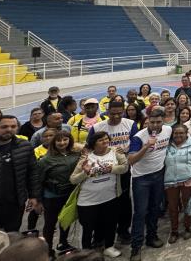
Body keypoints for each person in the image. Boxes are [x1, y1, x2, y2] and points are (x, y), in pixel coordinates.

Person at [70, 130, 129, 258]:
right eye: (101, 140)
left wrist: (112, 169)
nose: (105, 142)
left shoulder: (115, 152)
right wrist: (85, 173)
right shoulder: (86, 157)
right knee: (87, 228)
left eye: (106, 139)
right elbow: (73, 179)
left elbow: (125, 167)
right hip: (88, 201)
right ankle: (85, 253)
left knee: (111, 223)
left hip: (110, 197)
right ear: (94, 143)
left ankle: (109, 246)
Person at [89, 100, 137, 245]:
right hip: (103, 170)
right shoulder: (97, 127)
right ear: (107, 112)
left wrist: (127, 151)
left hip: (122, 169)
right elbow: (90, 146)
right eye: (113, 113)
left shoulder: (130, 124)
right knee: (103, 201)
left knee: (124, 200)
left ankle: (123, 230)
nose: (116, 116)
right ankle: (100, 234)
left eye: (119, 113)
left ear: (123, 111)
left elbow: (135, 142)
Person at [127, 107, 171, 261]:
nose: (155, 125)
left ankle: (152, 237)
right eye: (152, 122)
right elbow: (131, 160)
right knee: (140, 212)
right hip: (141, 178)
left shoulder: (168, 130)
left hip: (159, 175)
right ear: (147, 121)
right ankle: (136, 248)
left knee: (154, 209)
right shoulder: (139, 137)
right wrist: (146, 146)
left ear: (163, 120)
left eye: (158, 122)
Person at [36, 130, 78, 253]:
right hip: (52, 197)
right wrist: (38, 200)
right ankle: (48, 249)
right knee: (50, 223)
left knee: (66, 219)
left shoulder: (75, 154)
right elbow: (38, 181)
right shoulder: (45, 160)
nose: (62, 142)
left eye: (65, 139)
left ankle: (63, 243)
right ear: (53, 142)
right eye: (58, 140)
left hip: (69, 194)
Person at [162, 124, 191, 244]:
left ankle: (188, 228)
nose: (178, 135)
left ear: (186, 134)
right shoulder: (166, 147)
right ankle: (174, 231)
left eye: (181, 133)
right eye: (175, 133)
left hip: (187, 180)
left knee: (187, 206)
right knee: (173, 208)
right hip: (170, 182)